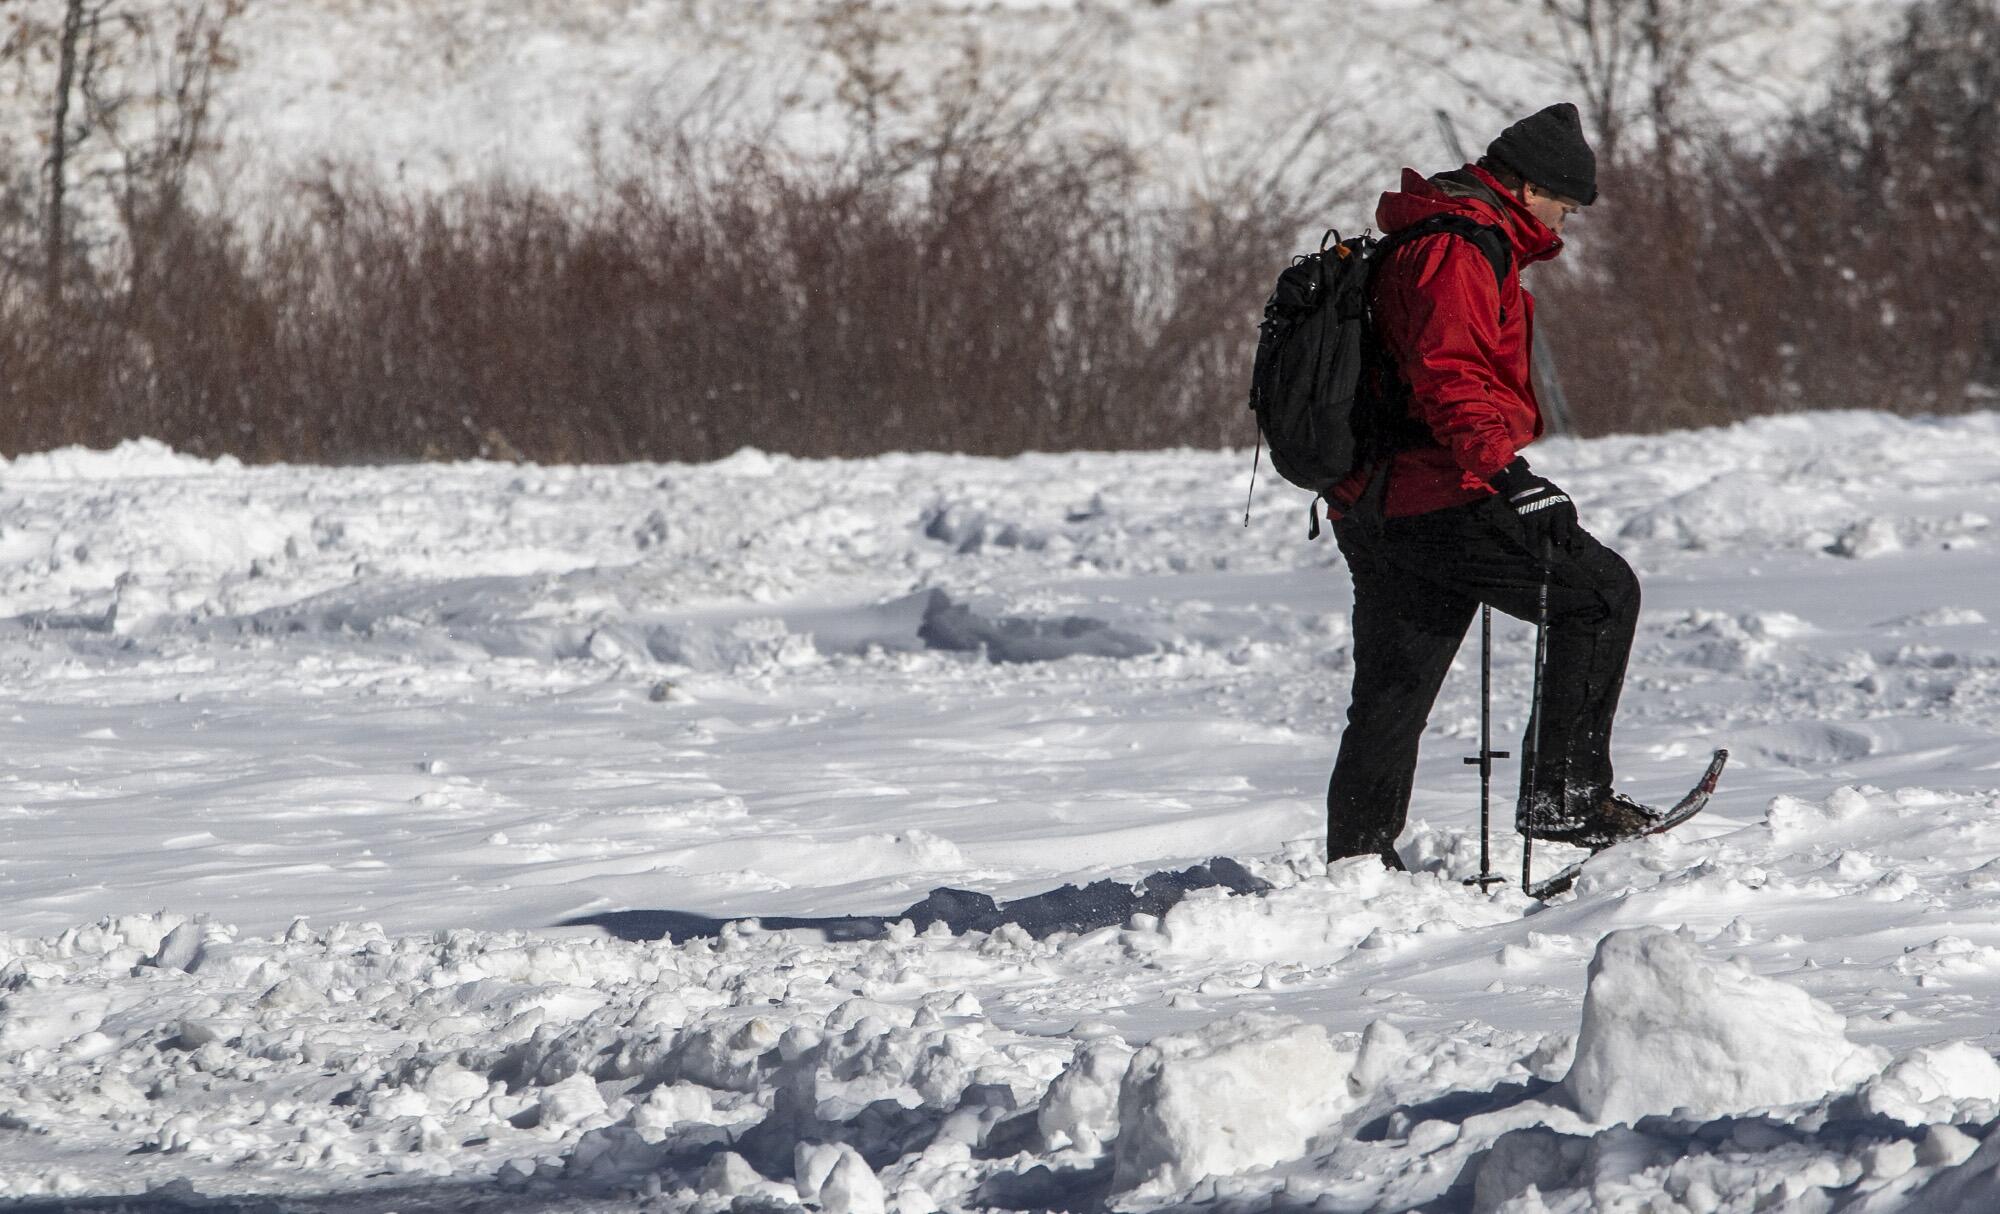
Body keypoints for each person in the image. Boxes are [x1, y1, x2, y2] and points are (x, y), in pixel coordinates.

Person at [1323, 102, 1650, 869]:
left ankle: (1359, 866)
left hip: (1377, 499)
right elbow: (1451, 376)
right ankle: (1563, 796)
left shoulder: (1431, 231)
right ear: (1530, 187)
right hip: (1439, 492)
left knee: (1393, 692)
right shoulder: (1461, 249)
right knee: (1600, 596)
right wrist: (1511, 475)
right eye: (1564, 206)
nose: (1564, 225)